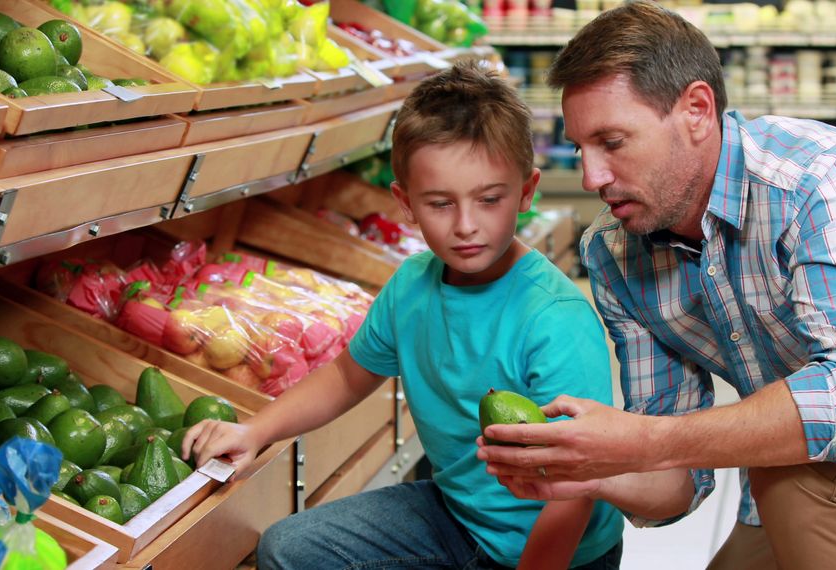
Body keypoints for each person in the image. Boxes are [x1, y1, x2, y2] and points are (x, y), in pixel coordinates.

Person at [476, 2, 836, 569]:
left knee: (797, 482)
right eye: (580, 149)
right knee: (787, 490)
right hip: (804, 481)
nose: (592, 177)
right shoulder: (615, 252)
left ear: (696, 109)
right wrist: (591, 469)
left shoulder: (817, 179)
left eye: (612, 142)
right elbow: (678, 480)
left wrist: (643, 440)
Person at [181, 61, 626, 569]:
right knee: (287, 550)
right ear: (405, 202)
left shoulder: (555, 318)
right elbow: (348, 376)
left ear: (526, 191)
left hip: (562, 551)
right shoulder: (412, 286)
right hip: (458, 515)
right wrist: (255, 432)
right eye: (440, 203)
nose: (465, 226)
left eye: (489, 200)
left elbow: (575, 489)